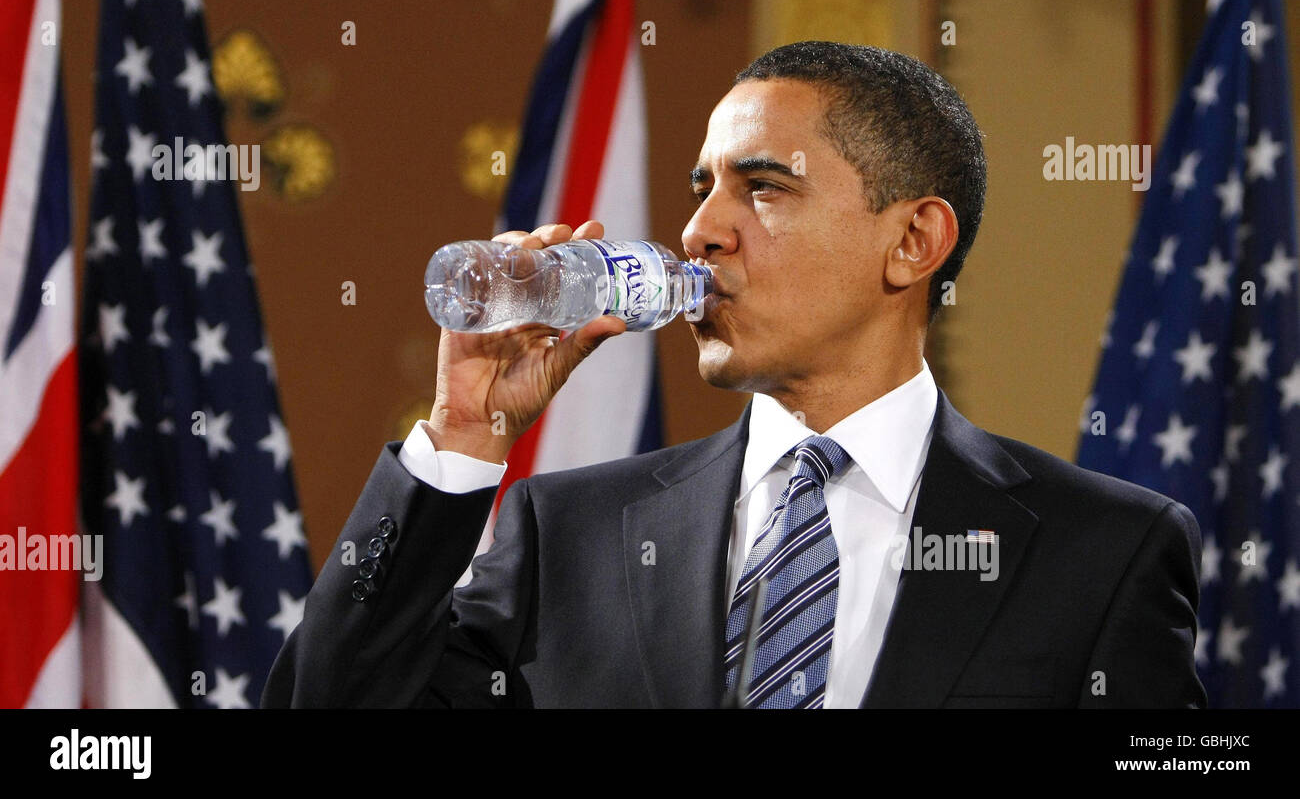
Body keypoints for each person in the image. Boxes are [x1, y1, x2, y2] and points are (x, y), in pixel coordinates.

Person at [262, 42, 1206, 708]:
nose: (700, 232)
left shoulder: (1102, 553)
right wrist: (461, 437)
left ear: (913, 241)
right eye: (700, 188)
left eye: (763, 188)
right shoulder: (571, 539)